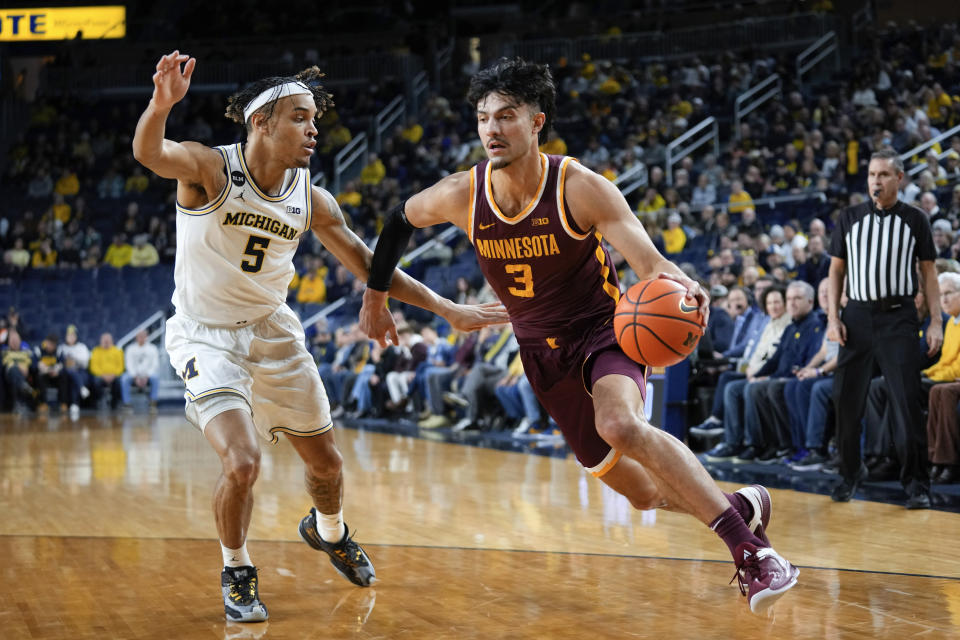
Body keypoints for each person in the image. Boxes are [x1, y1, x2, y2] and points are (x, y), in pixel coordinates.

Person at [358, 58, 798, 613]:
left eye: (507, 116)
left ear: (537, 121)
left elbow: (649, 261)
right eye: (483, 117)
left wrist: (685, 285)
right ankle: (741, 505)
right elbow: (397, 224)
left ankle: (752, 556)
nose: (492, 129)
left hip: (604, 332)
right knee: (643, 494)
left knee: (619, 424)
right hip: (541, 356)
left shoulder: (580, 186)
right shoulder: (462, 195)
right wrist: (377, 298)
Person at [131, 50, 507, 623]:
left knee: (327, 465)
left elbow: (369, 265)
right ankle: (236, 568)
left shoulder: (311, 198)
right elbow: (150, 152)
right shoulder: (210, 169)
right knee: (242, 463)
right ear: (261, 122)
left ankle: (327, 530)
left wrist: (447, 308)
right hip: (205, 337)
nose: (313, 130)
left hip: (273, 332)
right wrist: (162, 105)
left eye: (315, 121)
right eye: (301, 118)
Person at [827, 148, 943, 509]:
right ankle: (848, 473)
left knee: (906, 402)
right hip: (857, 317)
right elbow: (835, 271)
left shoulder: (916, 219)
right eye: (872, 174)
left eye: (883, 175)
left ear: (899, 179)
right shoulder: (848, 217)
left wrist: (936, 320)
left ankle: (916, 484)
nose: (876, 181)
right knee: (846, 401)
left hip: (898, 317)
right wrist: (833, 318)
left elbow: (928, 272)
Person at [120, 329, 160, 413]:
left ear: (146, 337)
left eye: (143, 336)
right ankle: (127, 404)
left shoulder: (153, 348)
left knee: (155, 378)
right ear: (136, 338)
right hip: (133, 375)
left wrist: (147, 376)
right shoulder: (130, 349)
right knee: (124, 378)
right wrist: (135, 377)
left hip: (148, 375)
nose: (141, 338)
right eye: (139, 336)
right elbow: (129, 364)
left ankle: (153, 403)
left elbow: (155, 364)